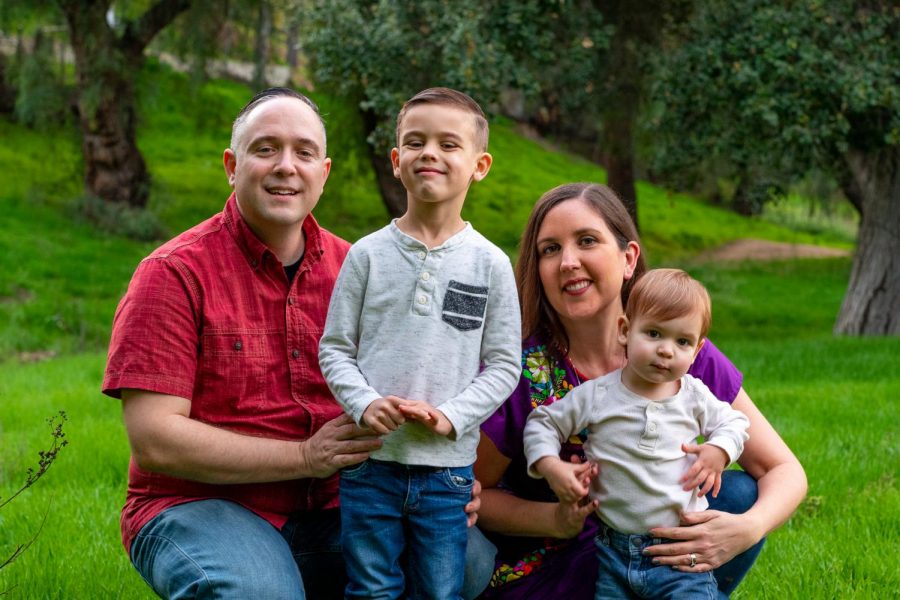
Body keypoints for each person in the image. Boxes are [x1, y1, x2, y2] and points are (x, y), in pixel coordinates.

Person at [102, 88, 489, 600]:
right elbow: (156, 440)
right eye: (265, 149)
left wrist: (439, 479)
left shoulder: (362, 267)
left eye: (304, 153)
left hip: (341, 503)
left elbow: (420, 381)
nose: (287, 167)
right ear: (231, 166)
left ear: (323, 173)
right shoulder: (173, 274)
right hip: (203, 505)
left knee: (469, 564)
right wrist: (306, 456)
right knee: (259, 592)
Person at [472, 183, 807, 599]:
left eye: (587, 241)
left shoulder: (679, 352)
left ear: (628, 258)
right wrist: (555, 519)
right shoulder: (521, 369)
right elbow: (472, 493)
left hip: (660, 552)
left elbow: (785, 471)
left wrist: (747, 530)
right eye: (550, 249)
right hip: (561, 560)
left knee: (740, 496)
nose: (568, 262)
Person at [319, 87, 521, 600]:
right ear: (396, 160)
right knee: (371, 588)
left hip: (447, 472)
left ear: (480, 165)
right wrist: (363, 404)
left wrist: (452, 416)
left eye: (448, 144)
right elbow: (335, 348)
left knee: (439, 590)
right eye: (415, 142)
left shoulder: (490, 264)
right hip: (370, 463)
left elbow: (502, 365)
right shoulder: (365, 256)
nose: (429, 152)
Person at [524, 268, 751, 598]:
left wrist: (719, 450)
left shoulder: (693, 395)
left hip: (679, 552)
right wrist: (550, 465)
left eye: (682, 341)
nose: (666, 350)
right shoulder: (598, 395)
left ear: (697, 350)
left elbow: (735, 423)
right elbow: (542, 422)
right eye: (654, 334)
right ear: (625, 331)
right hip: (613, 553)